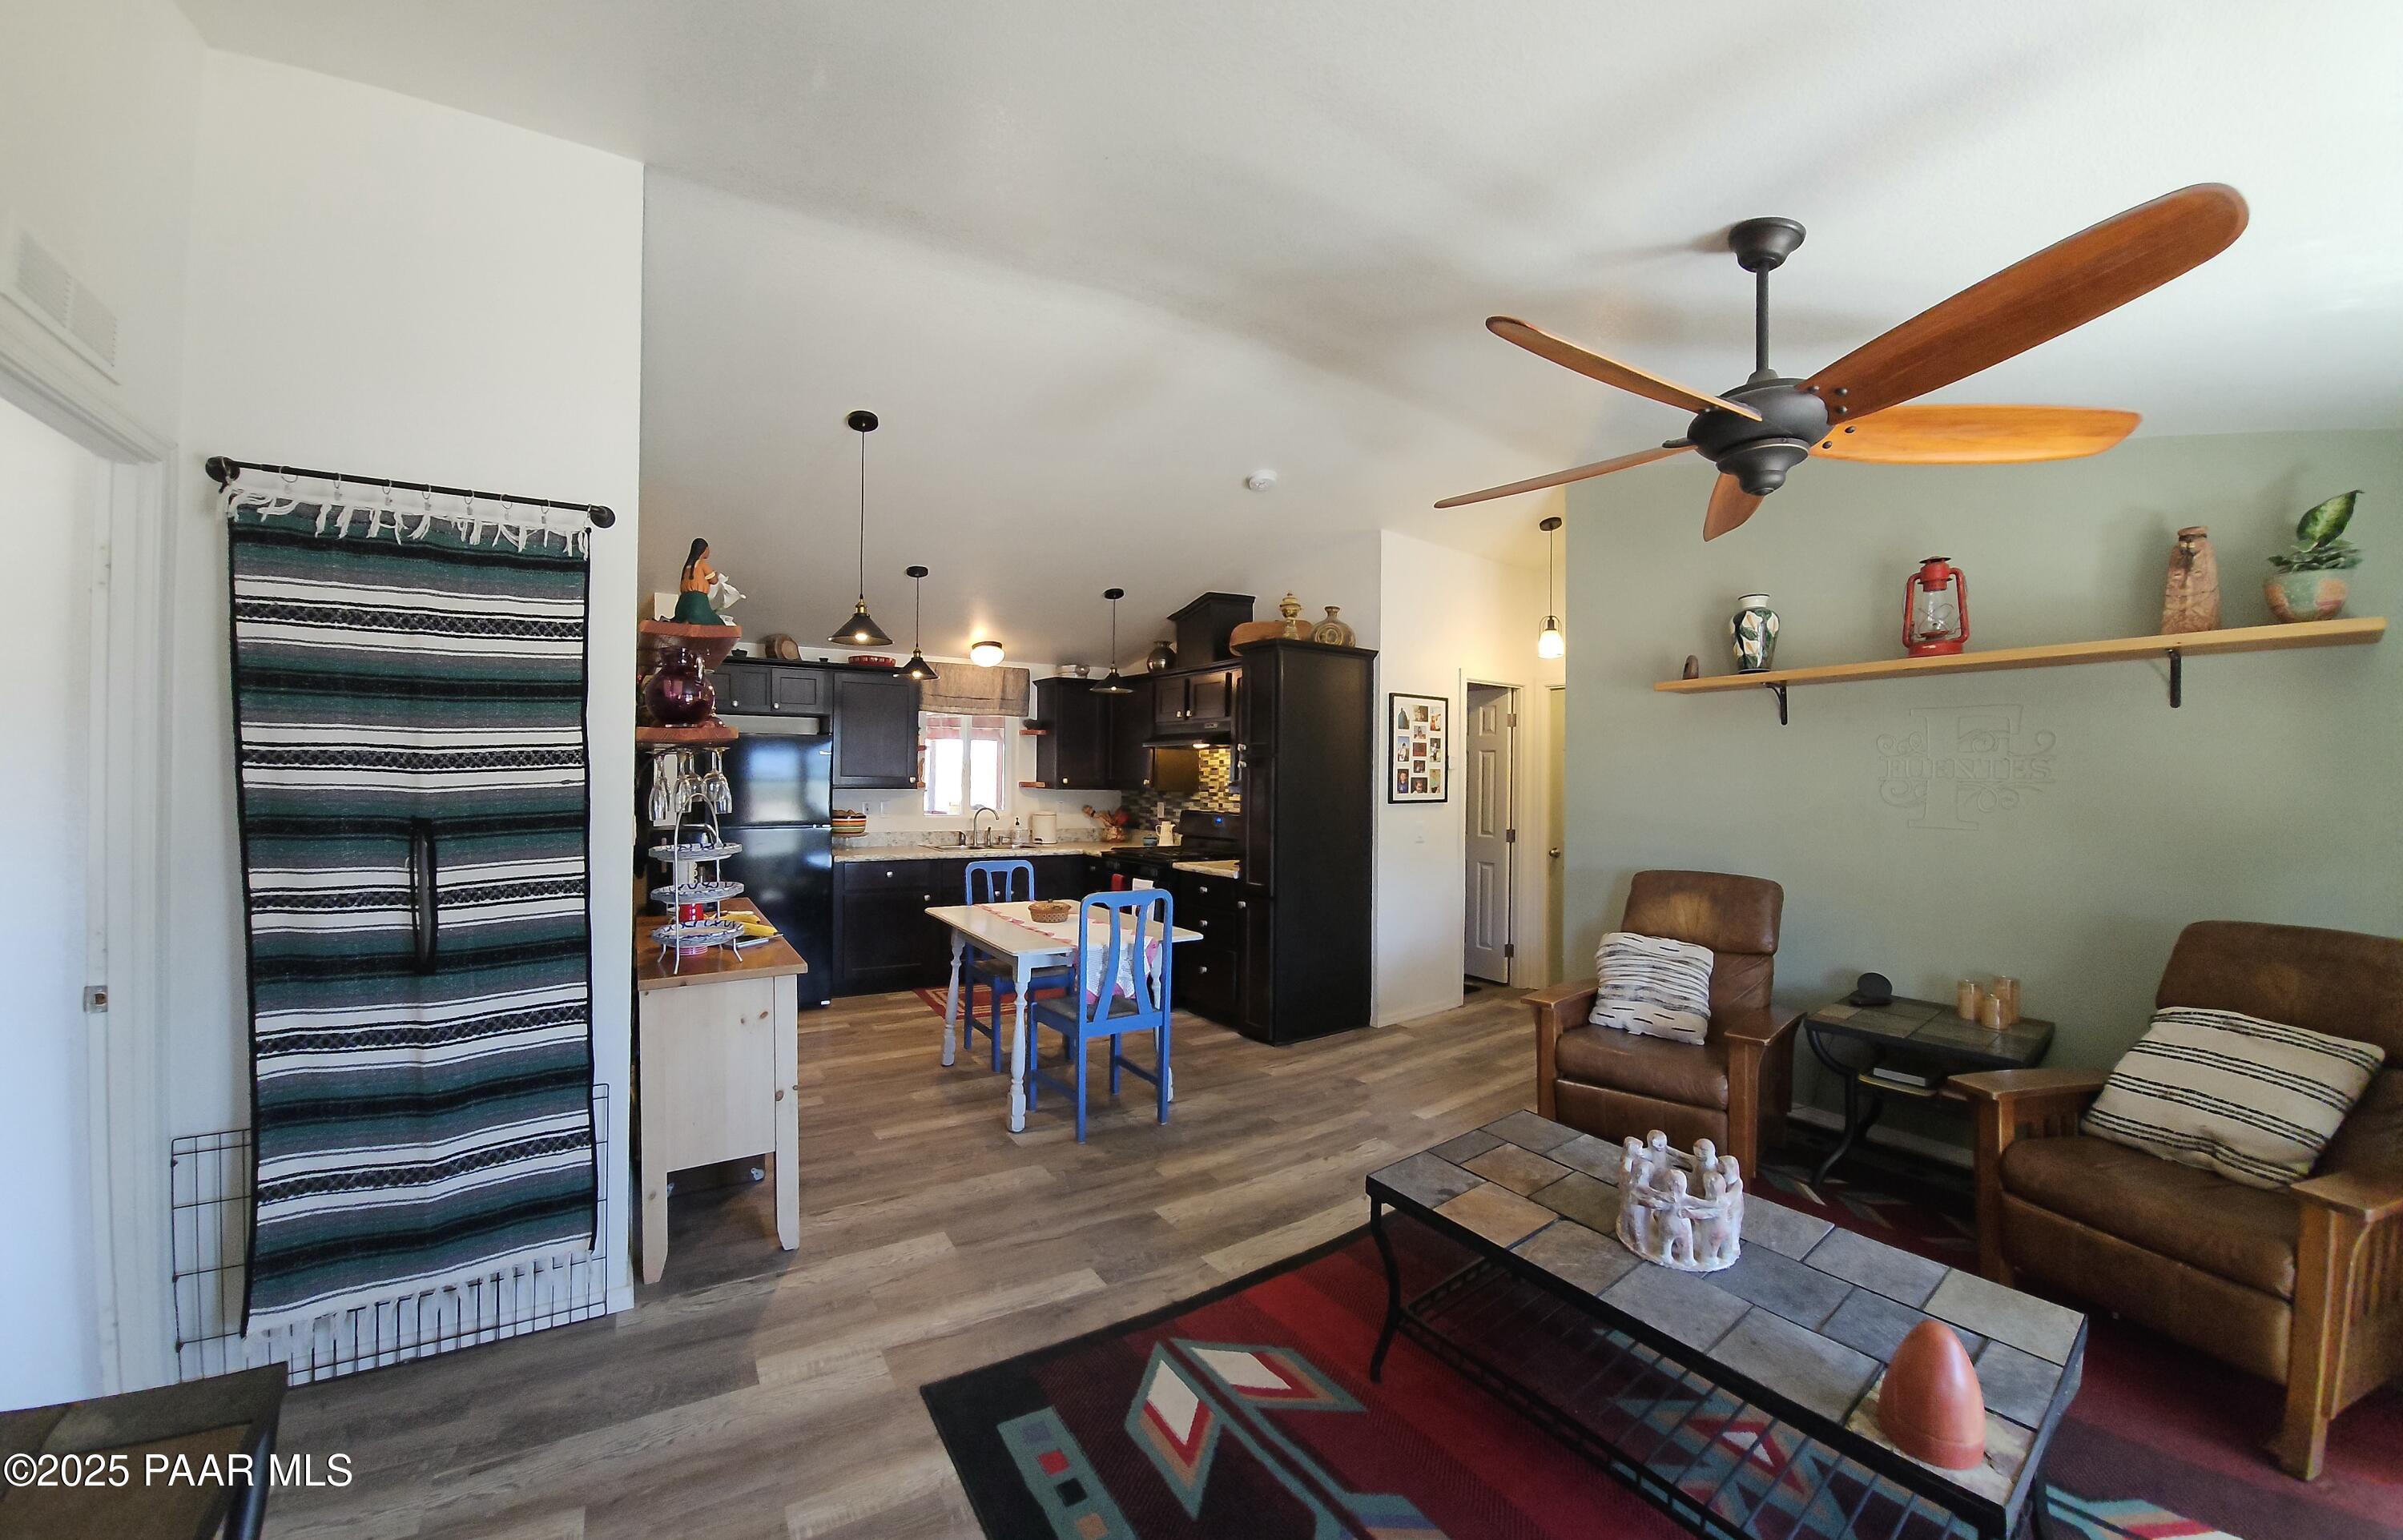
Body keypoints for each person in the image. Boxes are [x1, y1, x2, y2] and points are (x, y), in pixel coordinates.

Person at [673, 538, 723, 625]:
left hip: (682, 605)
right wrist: (717, 575)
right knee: (719, 625)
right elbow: (714, 581)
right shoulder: (702, 564)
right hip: (697, 604)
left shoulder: (687, 567)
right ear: (704, 550)